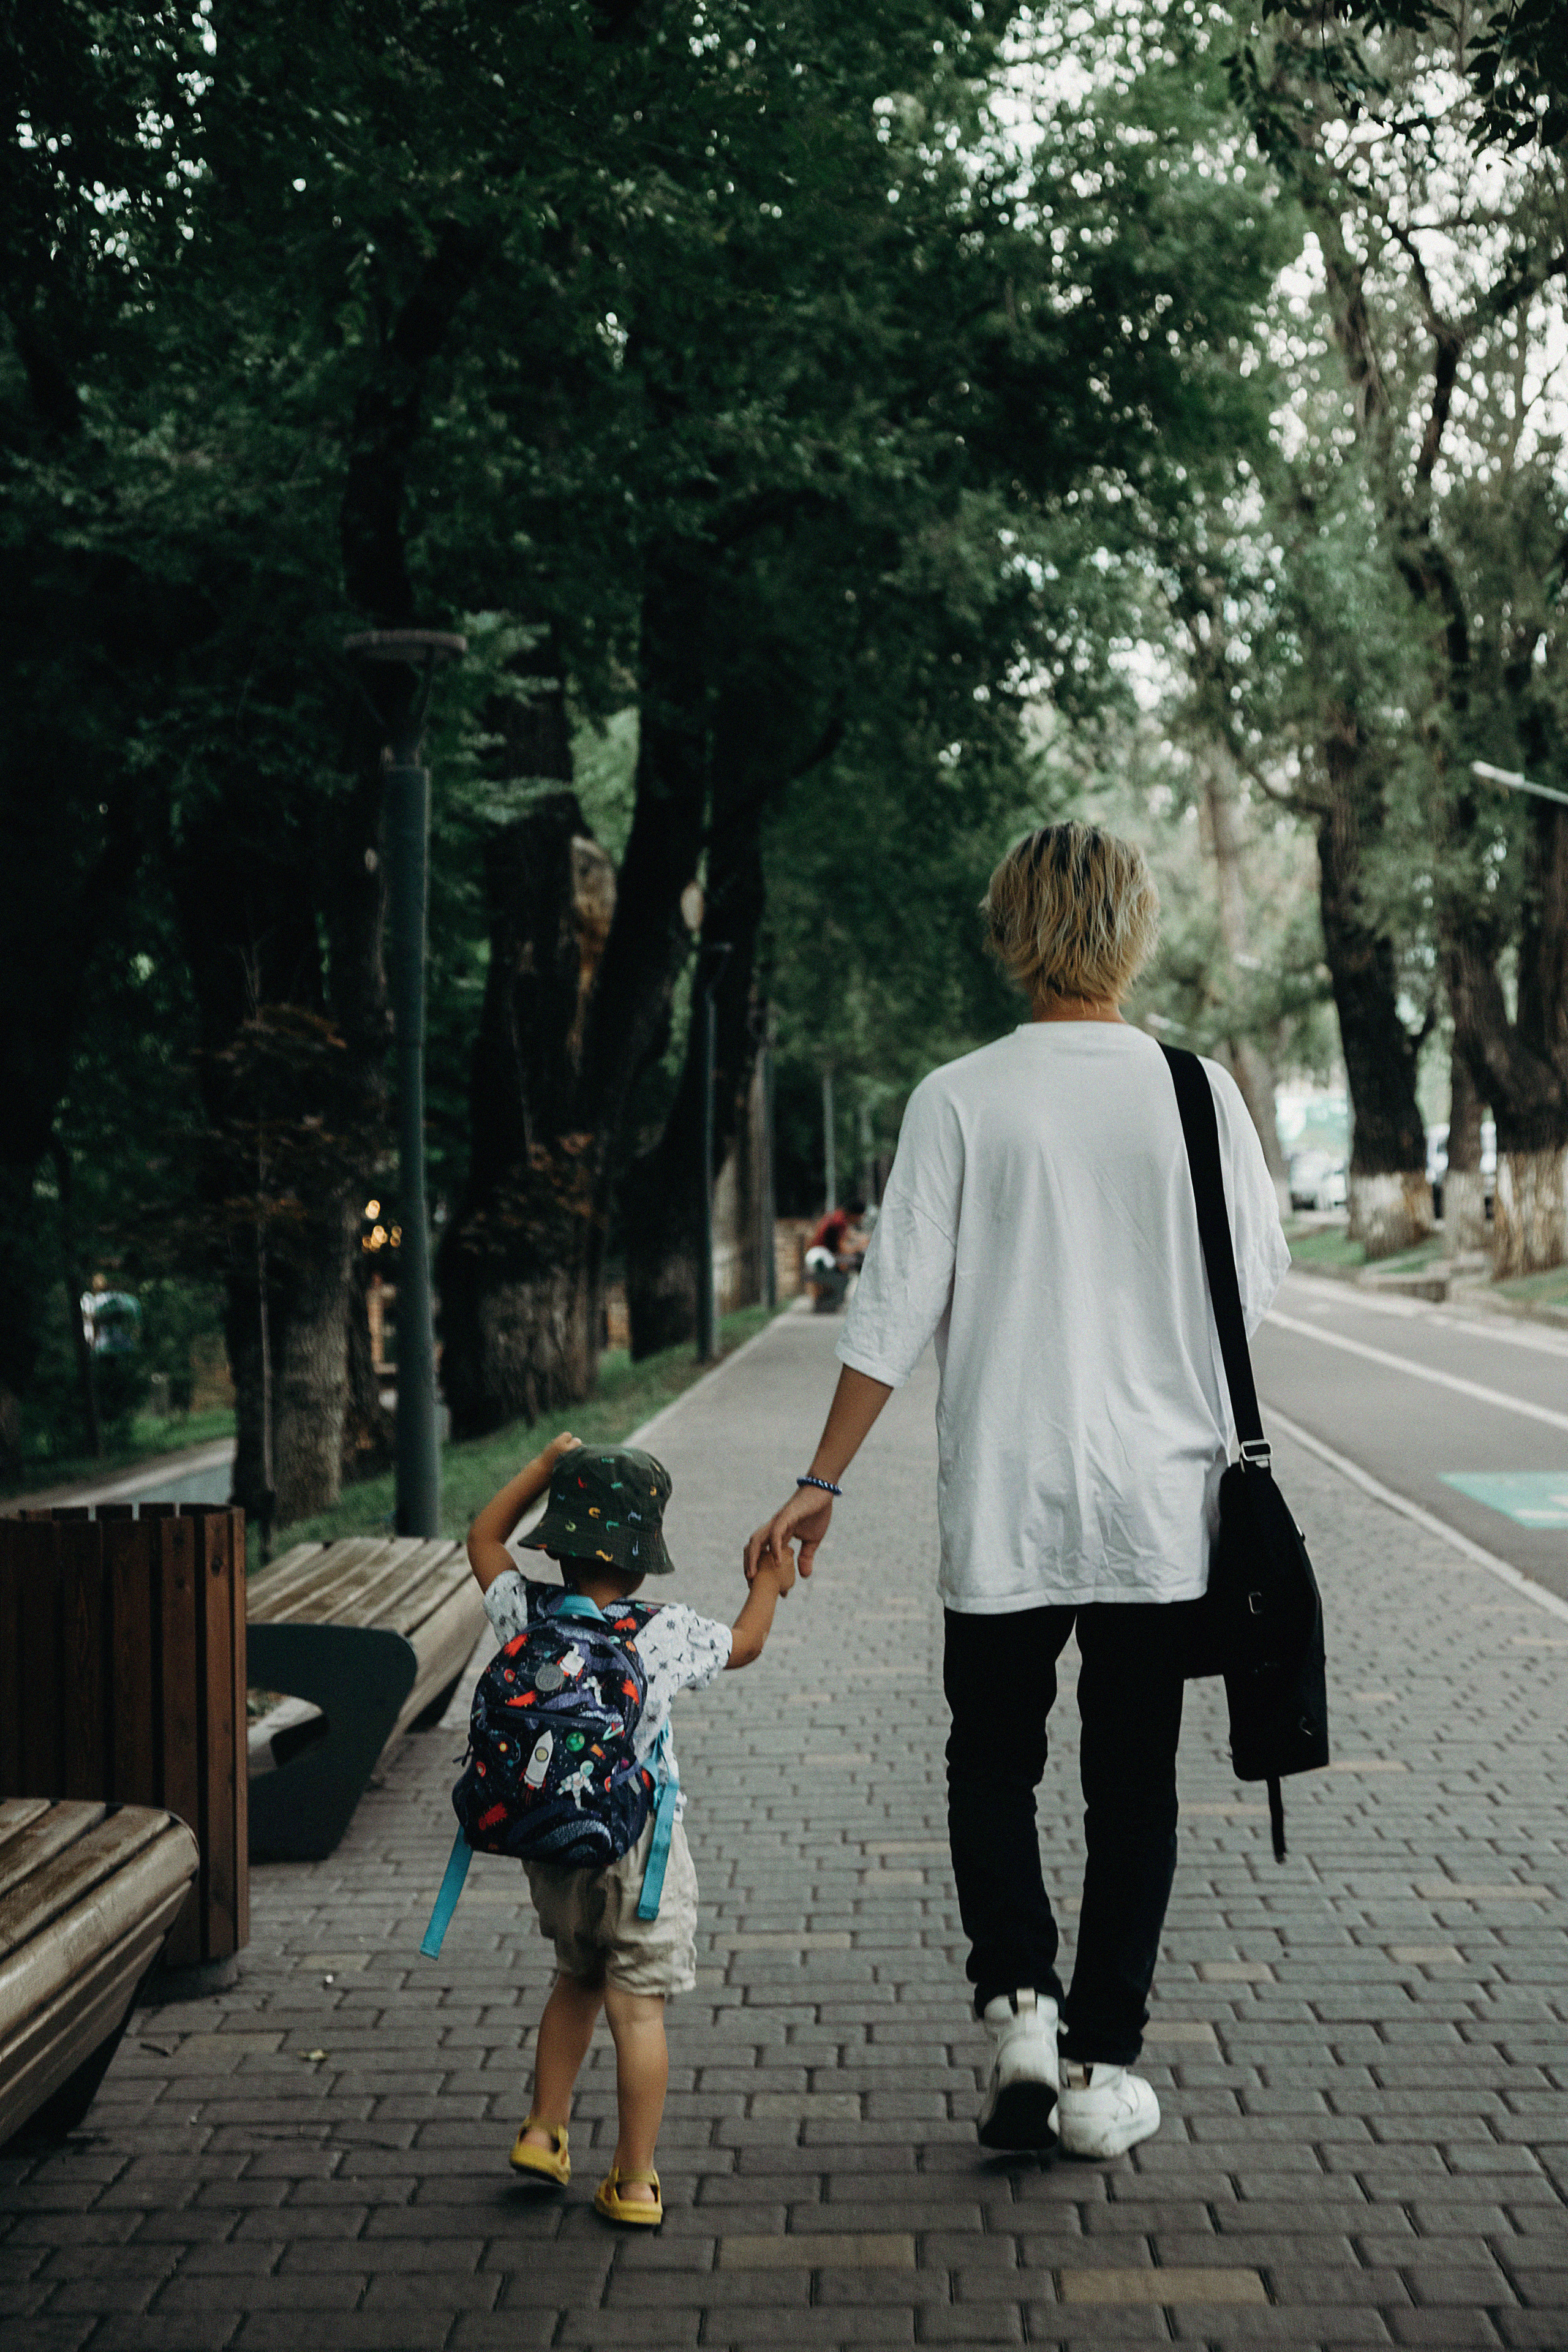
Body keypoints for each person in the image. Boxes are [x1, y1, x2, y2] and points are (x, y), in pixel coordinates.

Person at [746, 822, 1289, 2161]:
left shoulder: (959, 1096)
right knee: (1132, 1791)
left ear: (1009, 927)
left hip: (1002, 1499)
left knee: (991, 1760)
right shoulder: (1192, 1090)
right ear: (1131, 927)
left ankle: (1019, 2009)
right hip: (1158, 1513)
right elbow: (1255, 1282)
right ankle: (1102, 2068)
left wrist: (821, 1479)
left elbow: (889, 1308)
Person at [468, 1434, 794, 2224]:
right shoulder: (661, 1630)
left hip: (550, 1843)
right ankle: (636, 2181)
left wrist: (544, 1464)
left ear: (557, 1542)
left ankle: (545, 2133)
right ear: (644, 1558)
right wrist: (769, 1582)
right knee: (637, 2007)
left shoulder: (524, 1609)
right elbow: (747, 1644)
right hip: (639, 1846)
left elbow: (481, 1536)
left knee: (575, 1978)